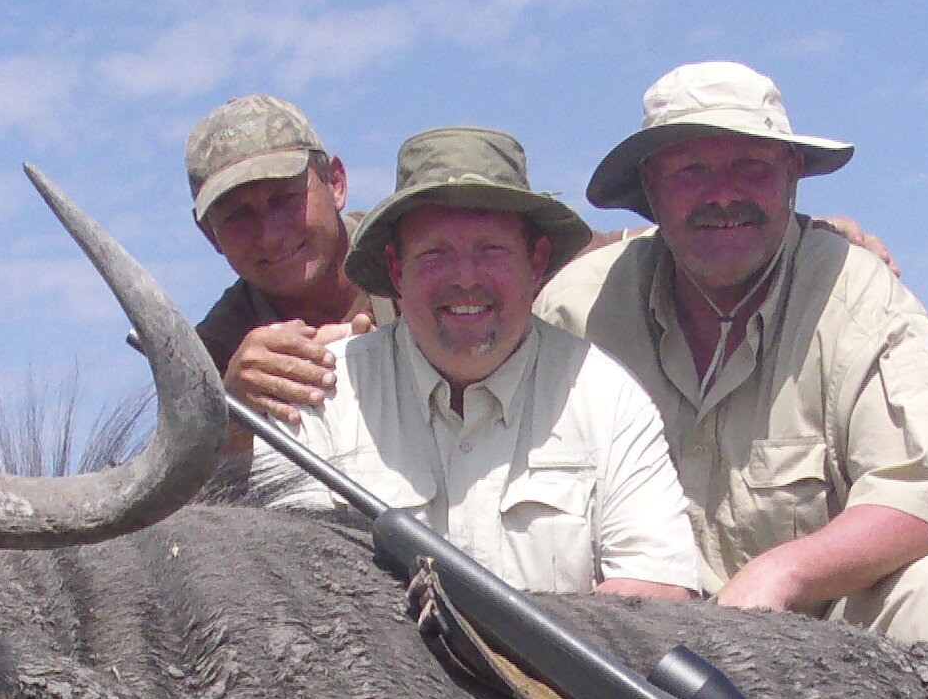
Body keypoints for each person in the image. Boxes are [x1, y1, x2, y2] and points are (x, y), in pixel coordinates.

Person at [536, 61, 928, 651]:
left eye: (751, 166)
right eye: (692, 171)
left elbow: (925, 499)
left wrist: (780, 573)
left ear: (793, 176)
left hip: (832, 659)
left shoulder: (860, 296)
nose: (723, 193)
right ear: (650, 188)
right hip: (634, 652)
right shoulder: (576, 308)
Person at [258, 127, 702, 601]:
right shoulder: (318, 398)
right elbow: (286, 601)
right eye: (435, 254)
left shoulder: (607, 396)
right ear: (395, 268)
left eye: (491, 250)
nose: (465, 279)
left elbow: (662, 591)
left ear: (537, 262)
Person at [183, 94, 392, 430]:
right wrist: (233, 411)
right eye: (239, 216)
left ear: (335, 183)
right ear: (210, 234)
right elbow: (194, 477)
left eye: (284, 199)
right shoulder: (207, 361)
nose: (269, 235)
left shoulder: (423, 265)